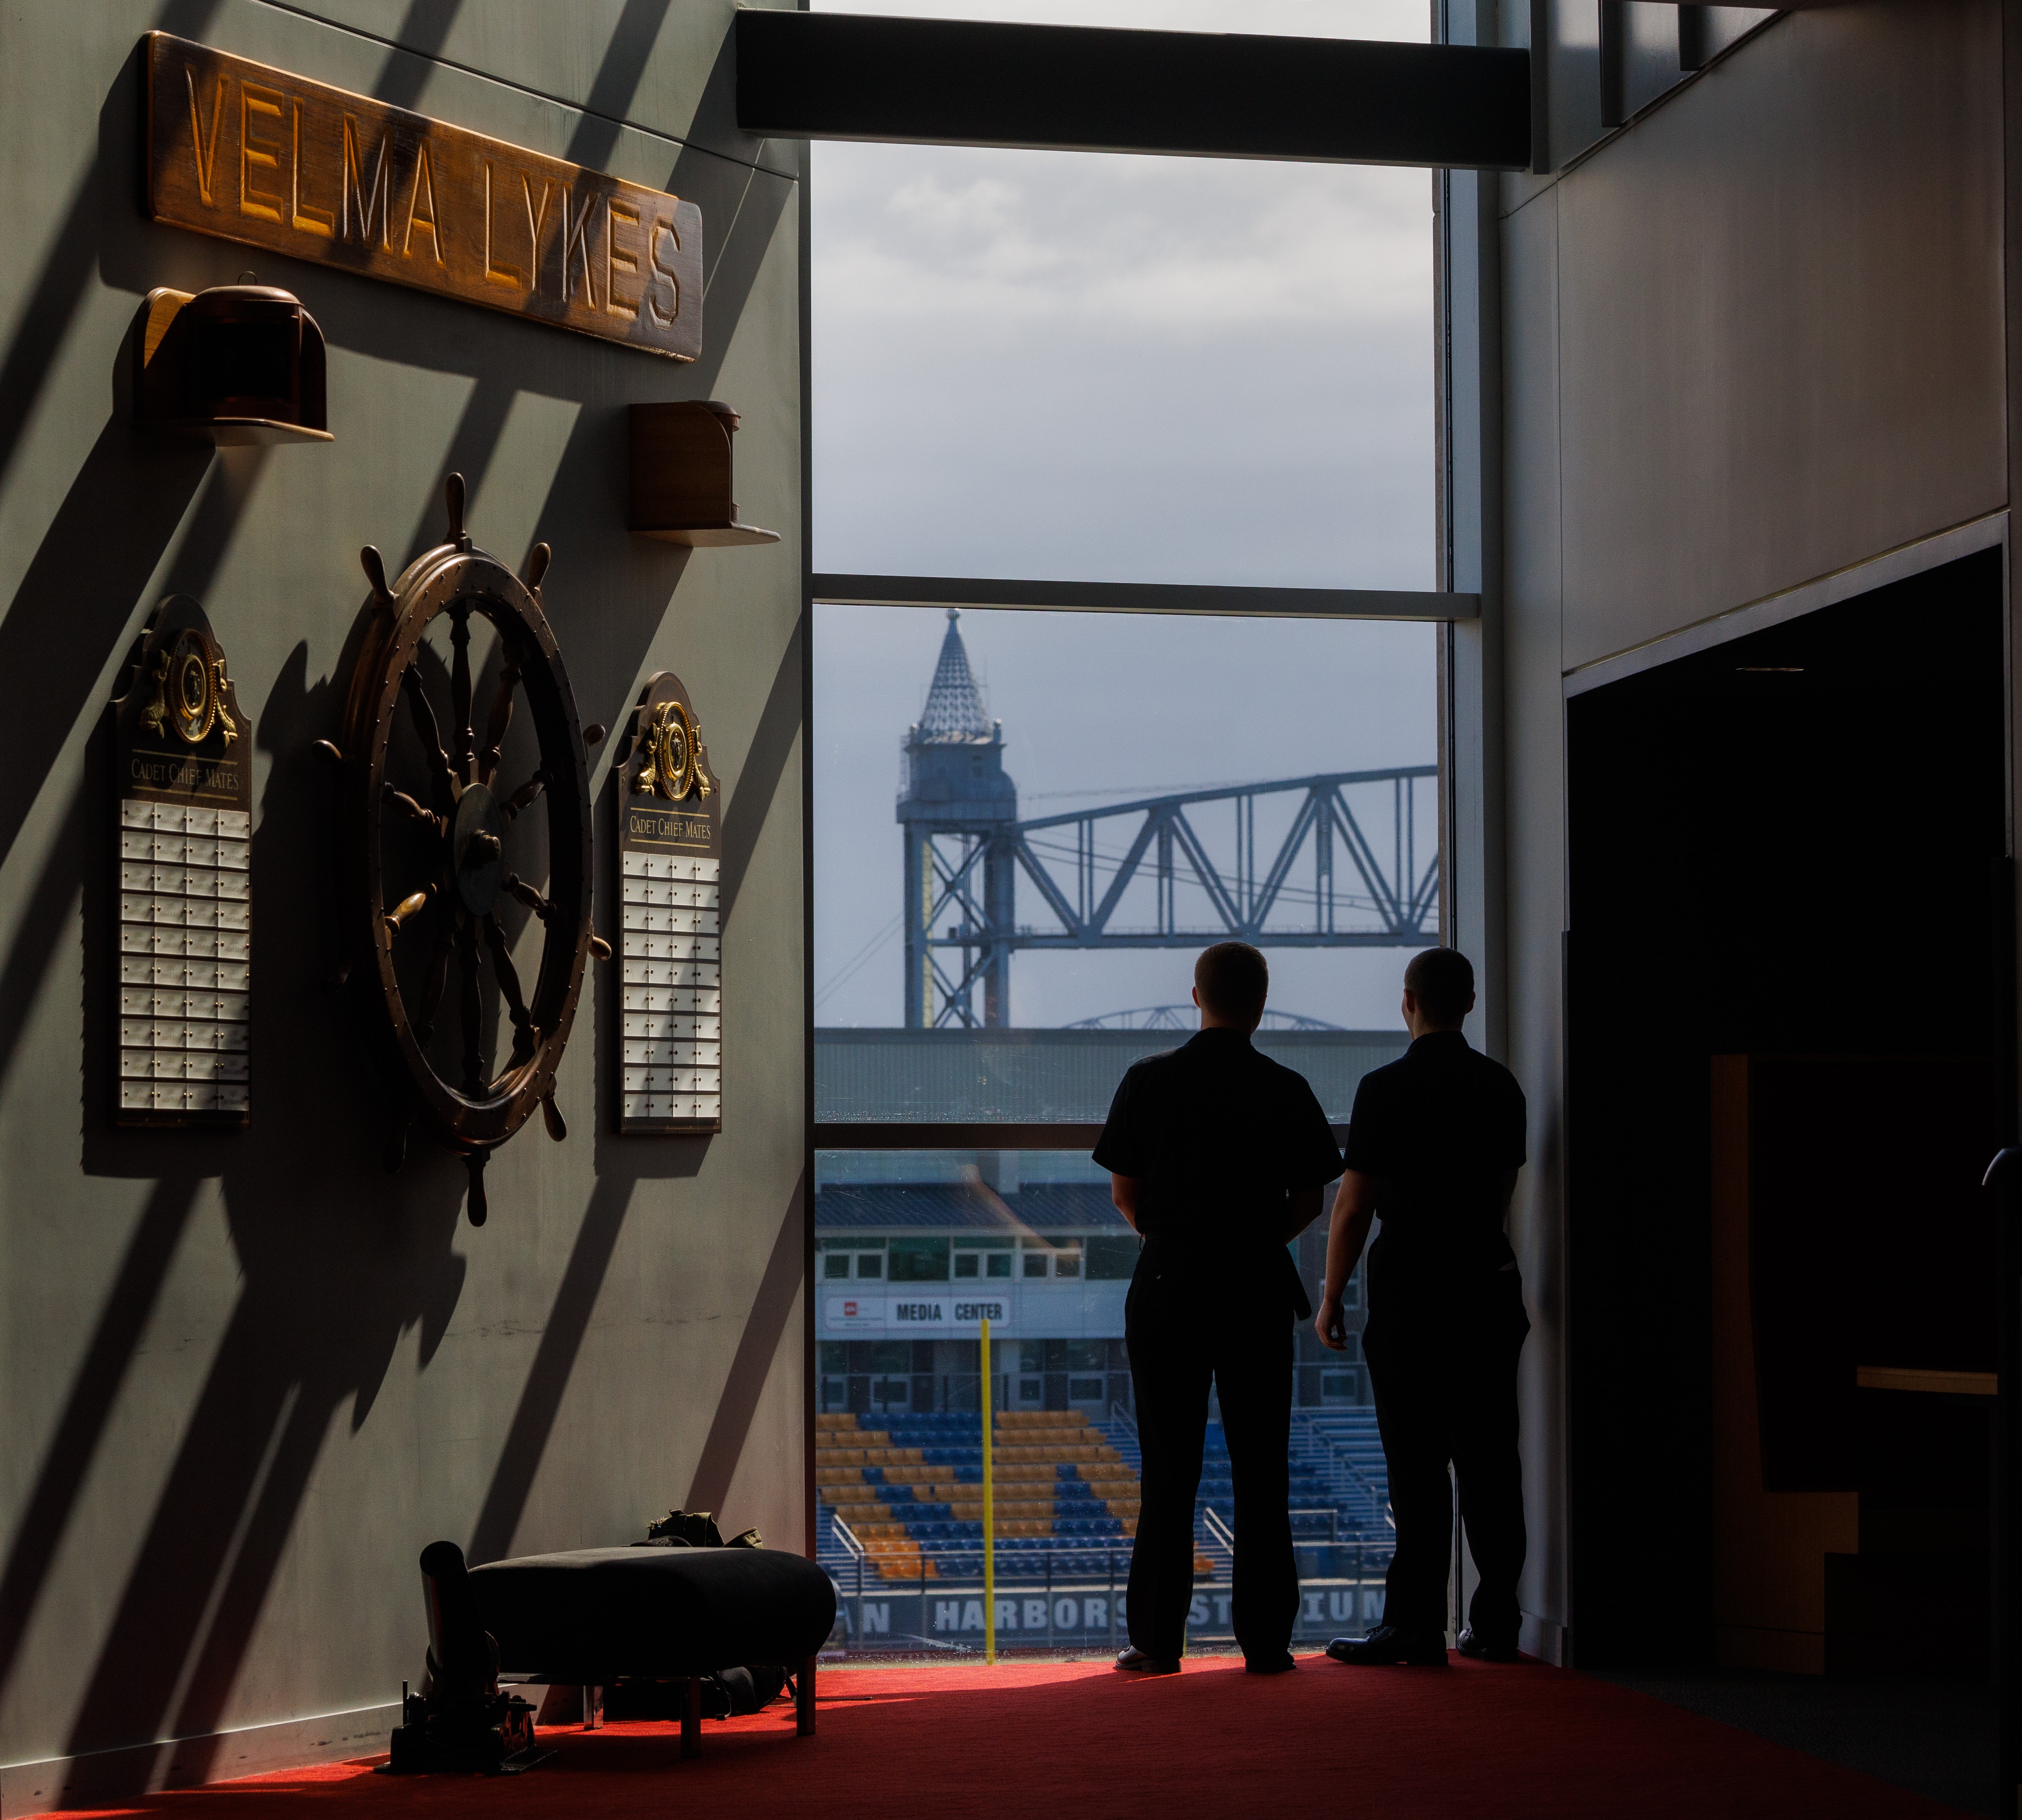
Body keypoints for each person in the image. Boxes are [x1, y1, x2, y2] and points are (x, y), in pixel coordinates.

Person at [1094, 941, 1344, 1676]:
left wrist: (1176, 1238)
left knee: (1169, 1466)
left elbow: (1124, 1194)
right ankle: (1267, 1642)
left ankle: (1157, 1641)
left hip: (1170, 1282)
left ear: (1195, 995)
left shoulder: (1149, 1080)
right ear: (1261, 1002)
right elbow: (1310, 1198)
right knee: (1262, 1466)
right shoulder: (1286, 1087)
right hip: (1257, 1286)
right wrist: (1253, 1239)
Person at [1316, 946, 1529, 1666]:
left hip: (1410, 1290)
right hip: (1486, 1283)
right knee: (1492, 1456)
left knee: (1416, 1464)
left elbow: (1353, 1207)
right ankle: (1496, 1621)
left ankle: (1414, 1626)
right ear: (1468, 1003)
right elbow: (1502, 1190)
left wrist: (1332, 1292)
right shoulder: (1502, 1087)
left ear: (1407, 1003)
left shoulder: (1384, 1089)